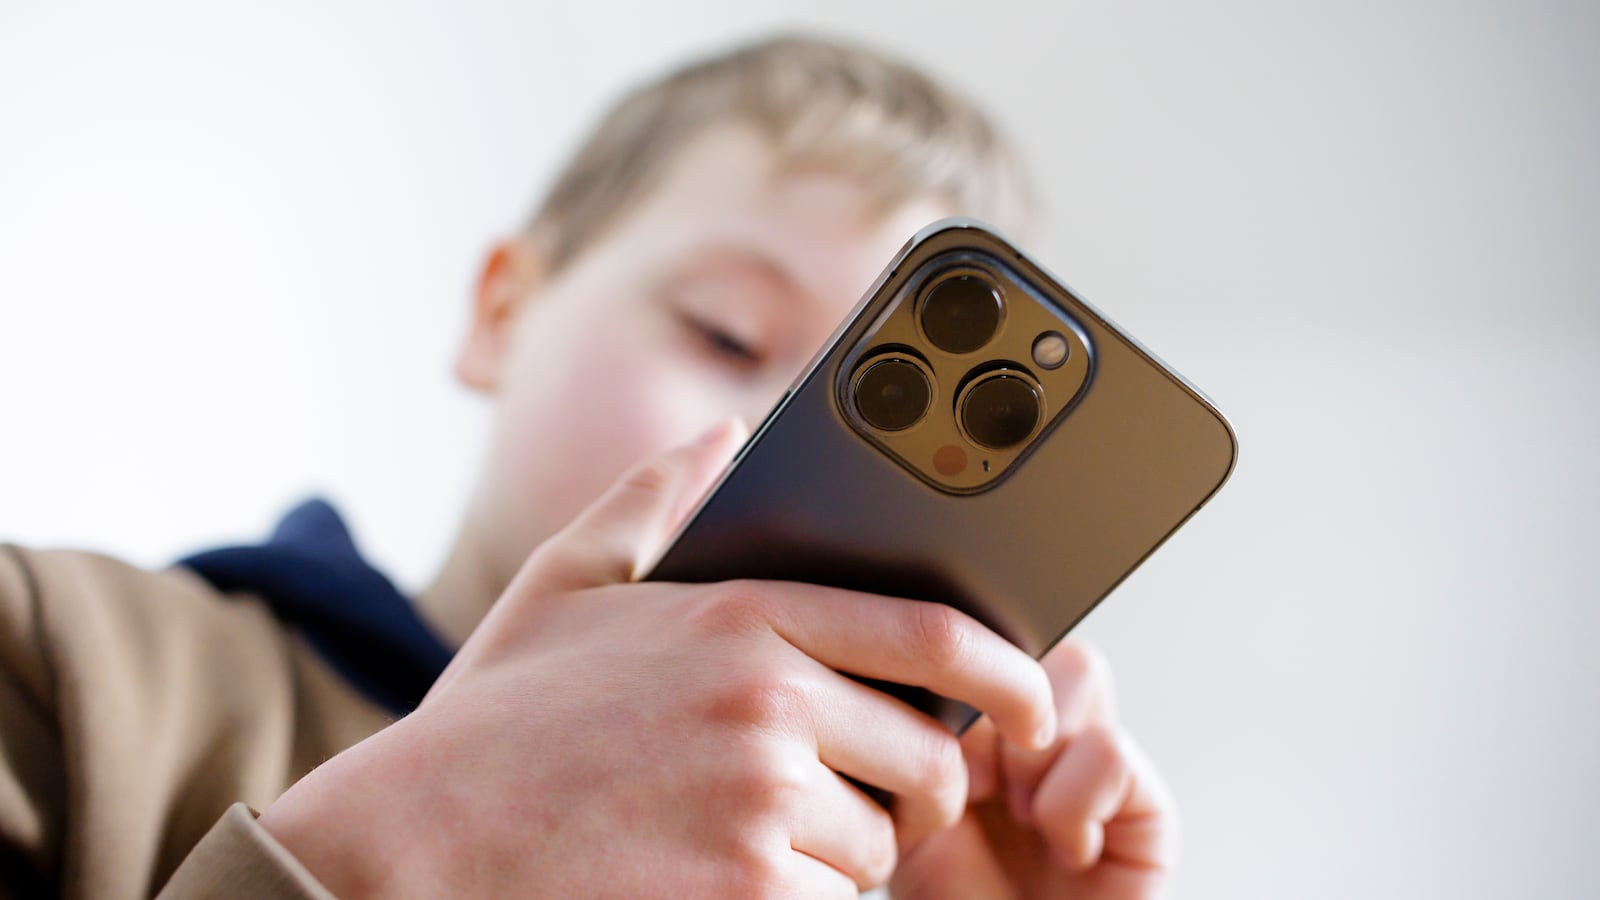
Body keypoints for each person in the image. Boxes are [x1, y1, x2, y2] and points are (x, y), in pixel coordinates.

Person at [0, 34, 1177, 898]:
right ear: (502, 313)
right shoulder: (66, 660)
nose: (782, 442)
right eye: (727, 335)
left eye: (869, 417)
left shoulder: (835, 872)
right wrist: (406, 849)